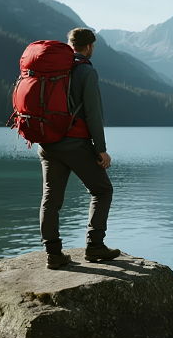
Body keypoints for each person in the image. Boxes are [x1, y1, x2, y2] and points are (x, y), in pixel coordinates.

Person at [37, 27, 120, 269]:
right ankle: (95, 246)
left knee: (50, 198)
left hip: (48, 143)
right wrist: (101, 149)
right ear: (89, 46)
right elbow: (93, 114)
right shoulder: (85, 71)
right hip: (74, 144)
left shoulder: (53, 68)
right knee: (102, 190)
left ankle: (53, 253)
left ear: (71, 44)